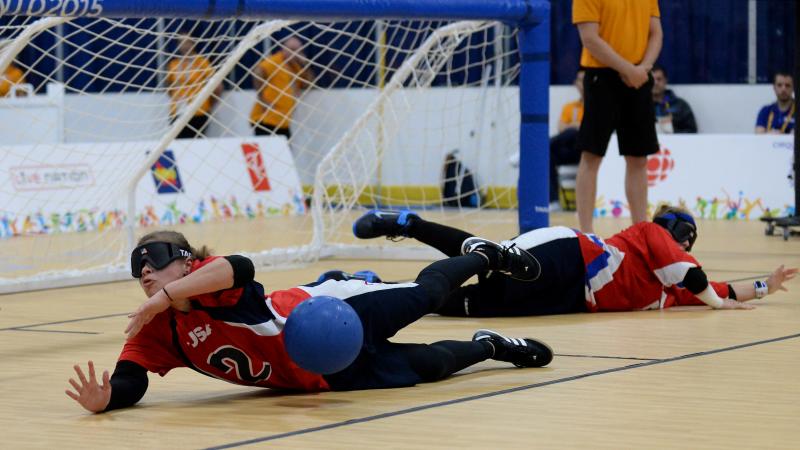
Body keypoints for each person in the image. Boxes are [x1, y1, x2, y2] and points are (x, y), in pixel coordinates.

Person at [65, 230, 552, 413]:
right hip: (321, 372)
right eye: (138, 267)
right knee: (431, 365)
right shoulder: (158, 330)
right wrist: (107, 400)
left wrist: (167, 295)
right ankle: (491, 347)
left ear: (188, 262)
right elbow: (132, 375)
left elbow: (241, 265)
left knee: (425, 295)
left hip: (331, 310)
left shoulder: (211, 285)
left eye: (155, 258)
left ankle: (484, 255)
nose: (145, 270)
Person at [351, 208, 797, 317]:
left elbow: (718, 289)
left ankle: (372, 287)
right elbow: (703, 282)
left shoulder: (671, 287)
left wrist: (766, 287)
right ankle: (411, 224)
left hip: (570, 299)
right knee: (487, 261)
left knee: (462, 304)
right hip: (571, 256)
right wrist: (721, 305)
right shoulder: (653, 235)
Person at [573, 0, 663, 233]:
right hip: (602, 78)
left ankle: (640, 230)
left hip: (639, 76)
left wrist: (644, 67)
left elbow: (656, 33)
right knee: (592, 155)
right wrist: (628, 69)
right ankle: (586, 232)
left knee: (638, 158)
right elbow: (590, 39)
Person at [250, 37, 314, 139]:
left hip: (283, 121)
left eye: (299, 51)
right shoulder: (275, 61)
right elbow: (257, 72)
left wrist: (305, 64)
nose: (295, 53)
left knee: (284, 152)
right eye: (292, 49)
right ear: (283, 49)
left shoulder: (296, 67)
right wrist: (261, 98)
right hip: (266, 120)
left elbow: (309, 84)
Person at [165, 34, 220, 139]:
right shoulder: (173, 63)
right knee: (178, 143)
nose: (185, 46)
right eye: (182, 42)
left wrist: (209, 104)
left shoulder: (202, 62)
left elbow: (217, 86)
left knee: (196, 144)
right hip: (177, 111)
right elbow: (169, 87)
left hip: (198, 111)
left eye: (188, 42)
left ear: (193, 44)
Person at [549, 70, 585, 210]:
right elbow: (560, 127)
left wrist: (575, 126)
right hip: (572, 148)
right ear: (575, 84)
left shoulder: (597, 105)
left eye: (585, 80)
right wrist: (576, 126)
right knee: (548, 155)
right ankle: (553, 202)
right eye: (580, 80)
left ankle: (539, 148)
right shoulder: (570, 107)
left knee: (573, 131)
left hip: (588, 149)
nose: (582, 84)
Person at [651, 65, 697, 134]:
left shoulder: (680, 105)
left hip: (676, 144)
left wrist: (673, 130)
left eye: (659, 79)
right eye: (652, 80)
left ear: (666, 80)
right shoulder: (641, 106)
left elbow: (692, 131)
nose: (655, 83)